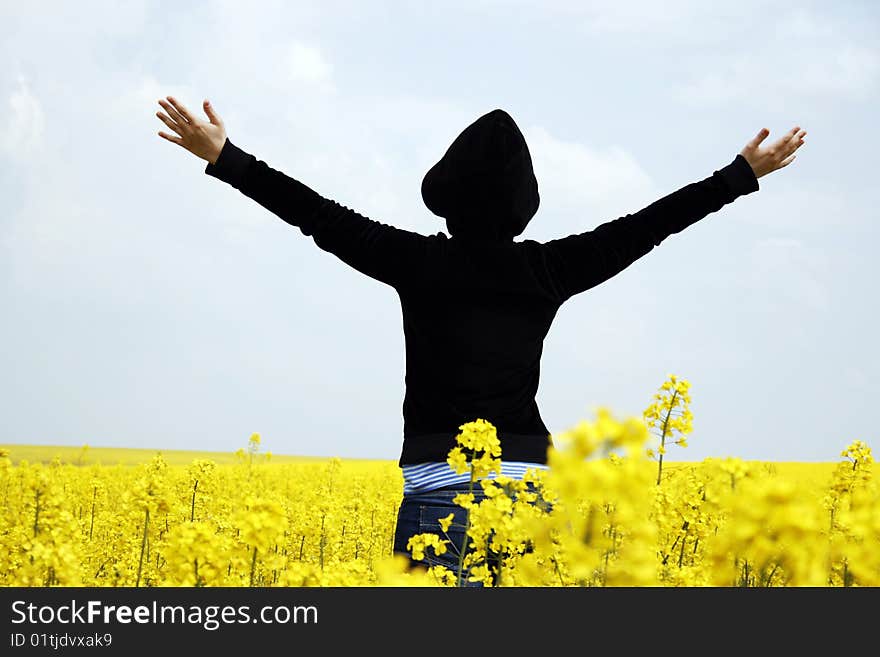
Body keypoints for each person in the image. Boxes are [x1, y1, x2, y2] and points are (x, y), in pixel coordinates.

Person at [155, 96, 806, 584]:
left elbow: (317, 215)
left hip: (437, 487)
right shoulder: (547, 268)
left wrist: (227, 158)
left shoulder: (414, 260)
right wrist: (739, 174)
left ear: (446, 199)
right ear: (524, 205)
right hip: (530, 490)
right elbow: (645, 227)